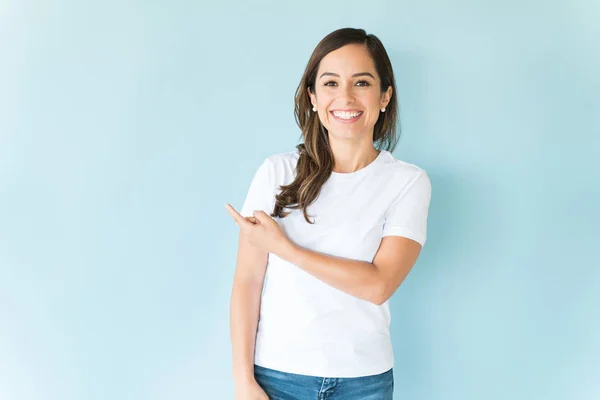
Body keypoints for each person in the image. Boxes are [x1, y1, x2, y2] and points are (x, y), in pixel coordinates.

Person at [225, 27, 432, 400]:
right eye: (331, 83)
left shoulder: (407, 182)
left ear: (385, 96)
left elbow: (378, 284)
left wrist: (285, 248)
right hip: (276, 377)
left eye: (362, 83)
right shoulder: (277, 172)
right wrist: (243, 380)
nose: (346, 97)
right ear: (313, 97)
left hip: (363, 382)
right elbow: (247, 282)